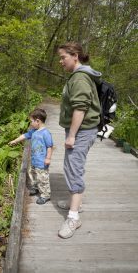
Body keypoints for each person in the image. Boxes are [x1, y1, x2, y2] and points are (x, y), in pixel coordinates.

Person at [57, 41, 101, 239]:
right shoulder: (79, 76)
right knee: (71, 165)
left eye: (63, 57)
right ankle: (76, 202)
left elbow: (80, 108)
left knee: (74, 168)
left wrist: (72, 135)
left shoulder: (81, 78)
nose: (60, 61)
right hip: (81, 130)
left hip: (82, 131)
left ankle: (74, 217)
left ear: (75, 56)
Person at [9, 108, 53, 205]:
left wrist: (48, 158)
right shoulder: (33, 131)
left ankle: (45, 195)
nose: (30, 124)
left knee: (42, 178)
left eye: (31, 121)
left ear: (38, 121)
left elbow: (49, 147)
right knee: (32, 174)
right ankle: (36, 187)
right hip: (34, 160)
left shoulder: (45, 133)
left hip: (42, 162)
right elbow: (24, 136)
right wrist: (15, 141)